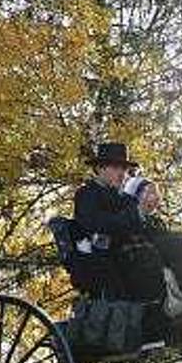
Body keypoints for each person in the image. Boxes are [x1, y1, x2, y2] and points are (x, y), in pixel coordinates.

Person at [72, 142, 168, 350]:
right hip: (102, 261)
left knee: (167, 249)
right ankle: (150, 328)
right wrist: (135, 215)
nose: (121, 174)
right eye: (116, 168)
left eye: (124, 169)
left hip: (128, 255)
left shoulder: (125, 199)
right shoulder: (86, 194)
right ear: (100, 168)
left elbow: (139, 228)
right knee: (148, 261)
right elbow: (97, 224)